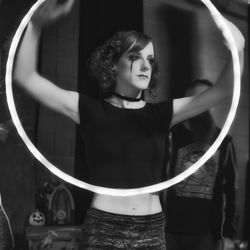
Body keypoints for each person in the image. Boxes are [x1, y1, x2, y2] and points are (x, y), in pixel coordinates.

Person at [13, 0, 244, 249]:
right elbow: (25, 77)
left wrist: (237, 49)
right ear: (114, 64)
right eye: (135, 57)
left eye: (150, 59)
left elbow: (223, 91)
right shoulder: (89, 109)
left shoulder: (162, 114)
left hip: (152, 229)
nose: (146, 65)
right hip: (104, 228)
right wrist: (35, 26)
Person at [164, 79, 239, 250]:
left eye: (208, 97)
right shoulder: (170, 136)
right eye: (197, 97)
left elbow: (230, 191)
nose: (202, 102)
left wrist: (228, 234)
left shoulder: (224, 141)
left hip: (207, 235)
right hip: (169, 231)